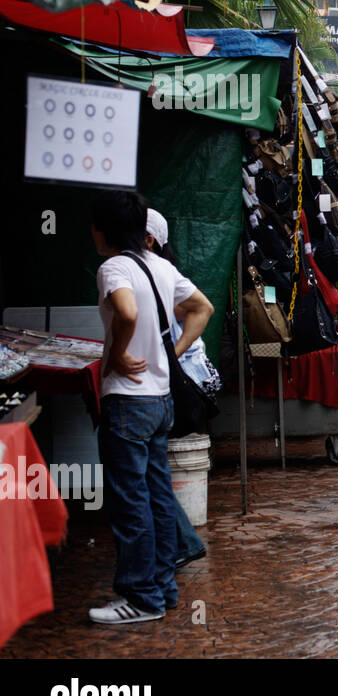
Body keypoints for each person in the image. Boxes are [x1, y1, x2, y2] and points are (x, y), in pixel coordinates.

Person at [89, 190, 213, 624]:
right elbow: (203, 308)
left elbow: (125, 311)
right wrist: (172, 353)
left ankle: (140, 597)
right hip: (160, 402)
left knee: (131, 501)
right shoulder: (161, 266)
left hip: (127, 400)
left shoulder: (114, 267)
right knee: (158, 495)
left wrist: (119, 354)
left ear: (101, 230)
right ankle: (162, 589)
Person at [144, 209, 215, 569]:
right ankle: (181, 540)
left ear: (149, 240)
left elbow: (203, 309)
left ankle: (179, 542)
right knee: (153, 466)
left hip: (171, 384)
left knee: (148, 467)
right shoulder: (158, 271)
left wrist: (171, 355)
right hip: (169, 382)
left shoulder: (160, 275)